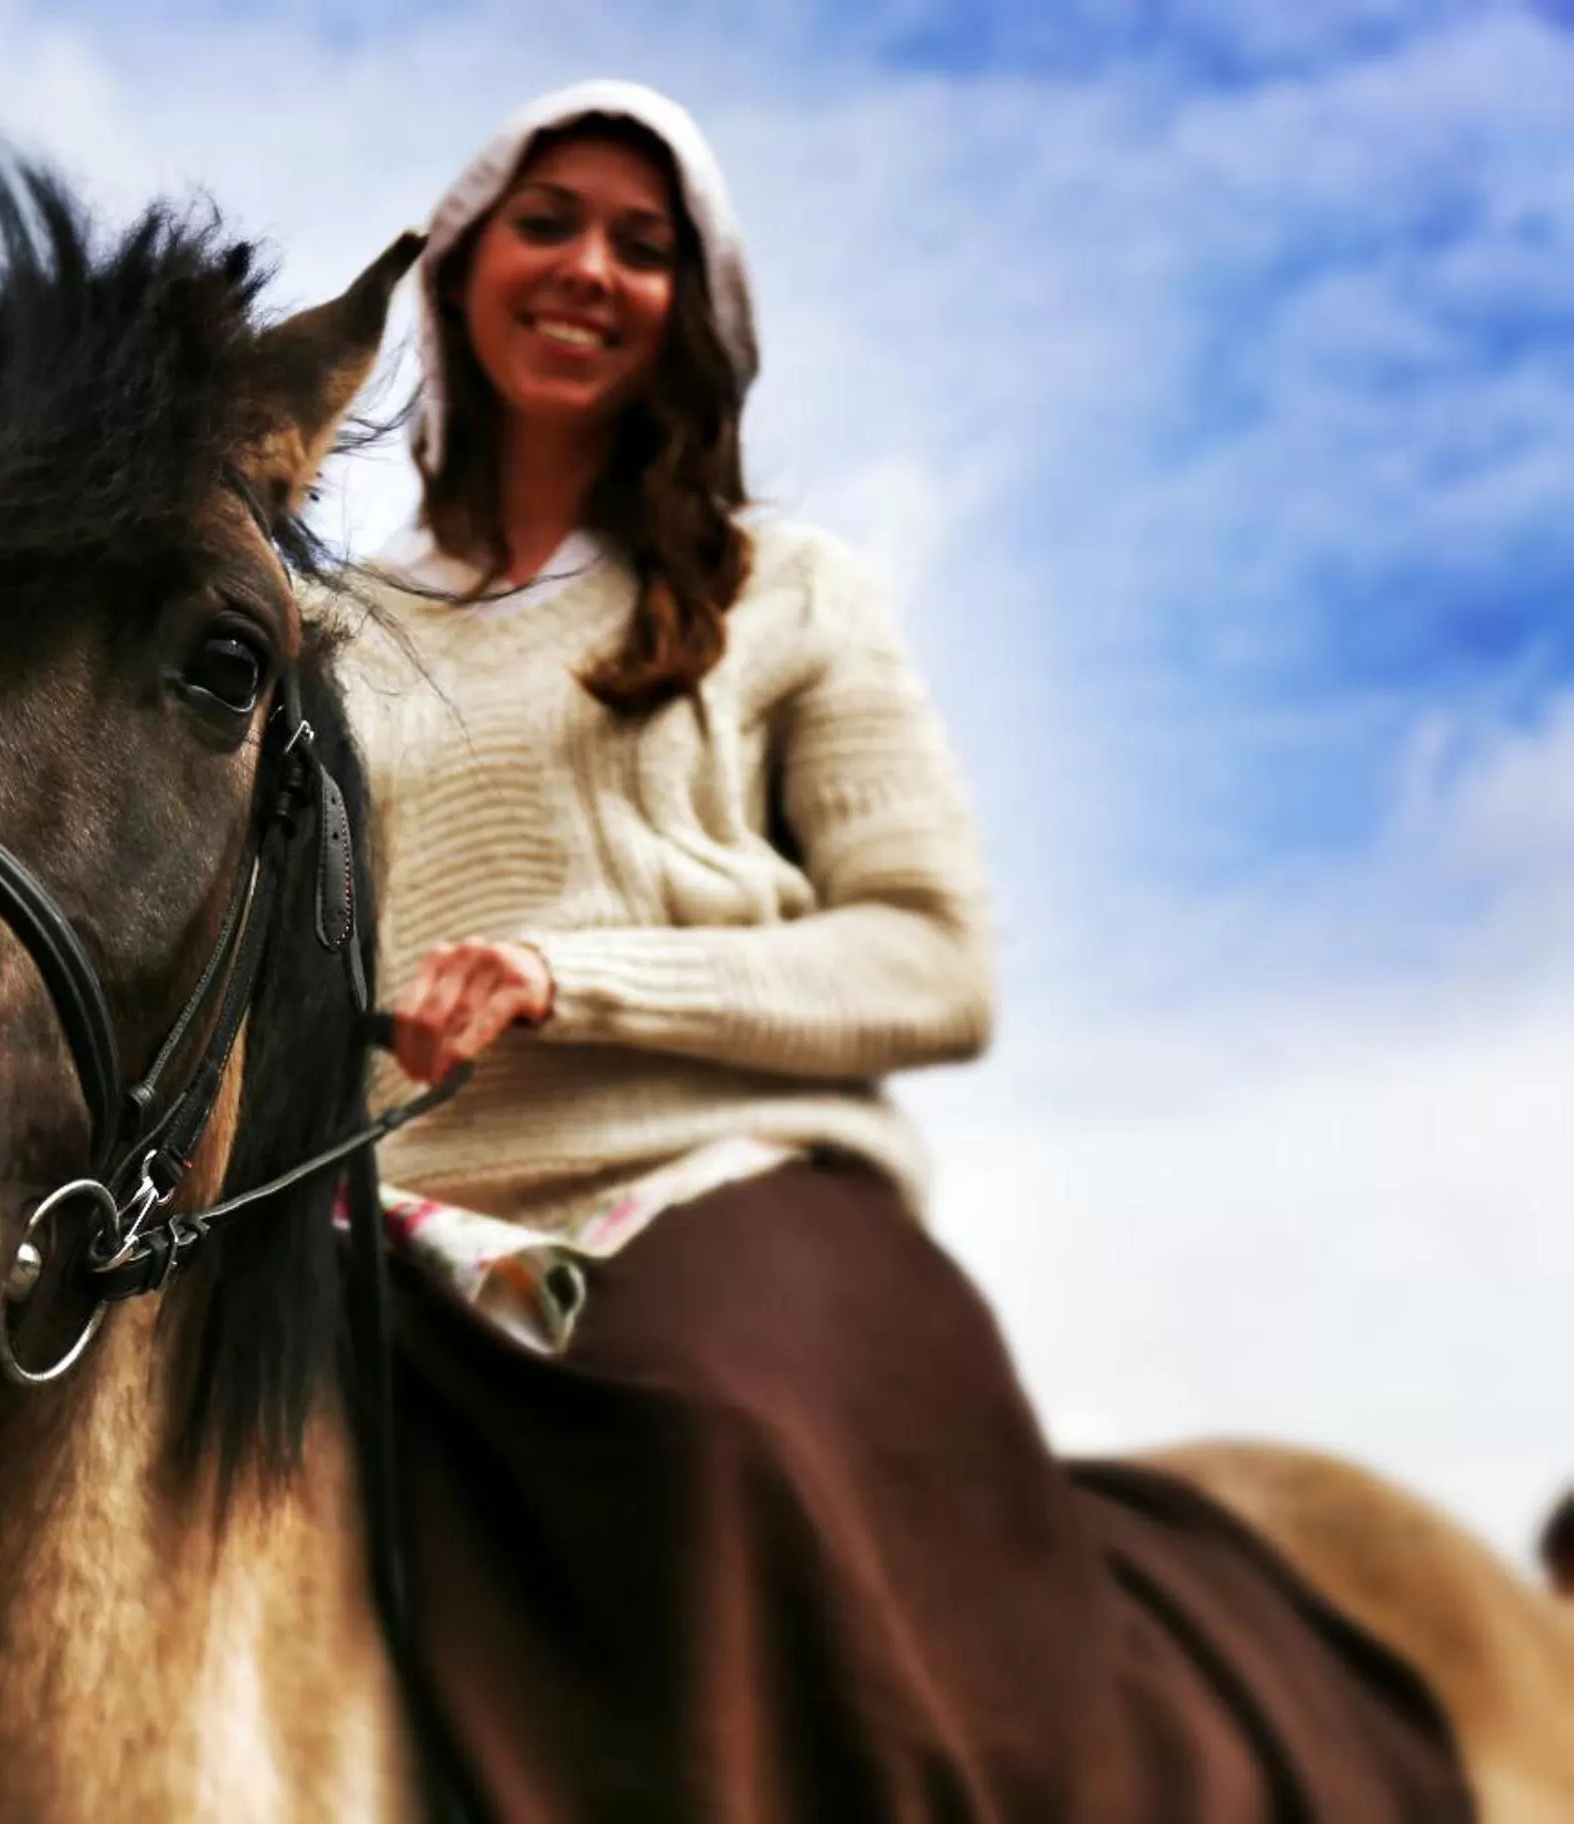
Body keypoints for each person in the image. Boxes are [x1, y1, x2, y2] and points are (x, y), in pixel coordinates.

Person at [330, 80, 1472, 1822]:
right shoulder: (326, 632)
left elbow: (936, 960)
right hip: (383, 1231)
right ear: (464, 260)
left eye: (646, 246)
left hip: (708, 1189)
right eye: (545, 219)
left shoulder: (787, 591)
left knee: (697, 1429)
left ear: (692, 316)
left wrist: (581, 976)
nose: (586, 268)